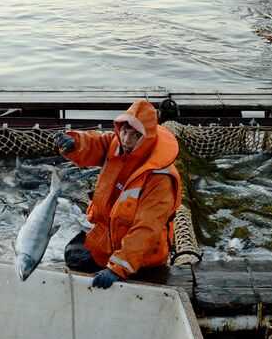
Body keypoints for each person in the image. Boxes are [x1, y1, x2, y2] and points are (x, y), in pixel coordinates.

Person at [52, 100, 182, 289]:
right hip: (108, 236)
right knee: (73, 256)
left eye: (136, 135)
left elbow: (146, 230)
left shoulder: (160, 178)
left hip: (144, 255)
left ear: (148, 138)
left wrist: (118, 268)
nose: (127, 140)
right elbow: (95, 143)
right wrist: (74, 144)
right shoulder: (117, 143)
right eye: (124, 132)